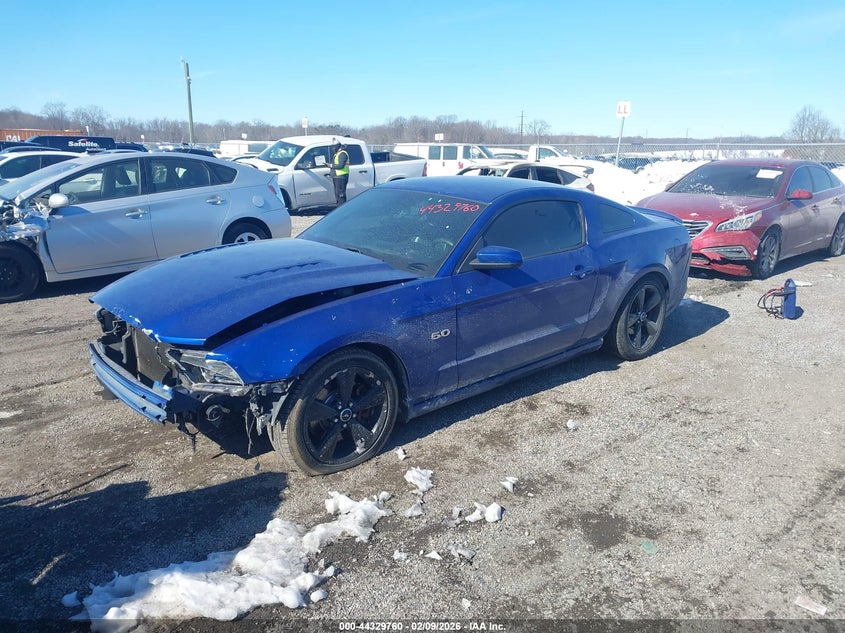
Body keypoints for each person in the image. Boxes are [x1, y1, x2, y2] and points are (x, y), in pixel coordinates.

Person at [329, 139, 350, 204]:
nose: (332, 148)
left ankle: (342, 210)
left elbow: (341, 165)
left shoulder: (342, 153)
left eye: (333, 147)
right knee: (337, 195)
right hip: (337, 177)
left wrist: (331, 165)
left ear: (337, 146)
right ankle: (339, 208)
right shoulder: (337, 154)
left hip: (341, 177)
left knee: (341, 196)